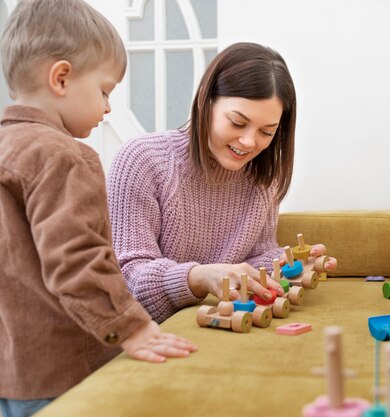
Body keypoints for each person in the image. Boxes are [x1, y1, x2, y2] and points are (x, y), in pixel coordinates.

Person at [0, 1, 196, 416]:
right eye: (104, 91)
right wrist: (131, 328)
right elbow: (77, 258)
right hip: (63, 366)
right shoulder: (64, 156)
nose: (108, 107)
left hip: (9, 366)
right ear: (61, 78)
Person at [107, 42, 337, 324]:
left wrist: (286, 265)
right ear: (207, 101)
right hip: (146, 336)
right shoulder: (143, 160)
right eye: (238, 123)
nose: (250, 142)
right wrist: (199, 277)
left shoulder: (263, 177)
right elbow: (127, 278)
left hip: (223, 324)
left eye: (267, 132)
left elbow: (253, 259)